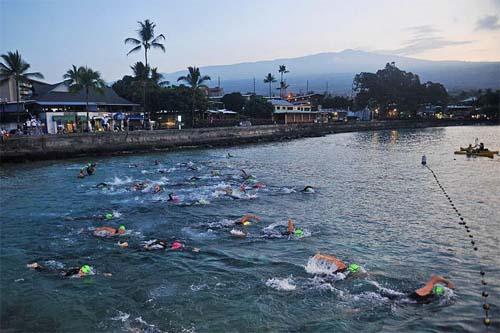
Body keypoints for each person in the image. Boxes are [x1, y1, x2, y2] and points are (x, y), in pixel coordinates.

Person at [27, 262, 94, 278]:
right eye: (84, 273)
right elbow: (67, 274)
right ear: (81, 271)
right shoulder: (74, 272)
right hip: (62, 272)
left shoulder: (79, 269)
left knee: (47, 270)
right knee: (45, 272)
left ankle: (36, 266)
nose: (84, 274)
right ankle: (36, 266)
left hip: (63, 270)